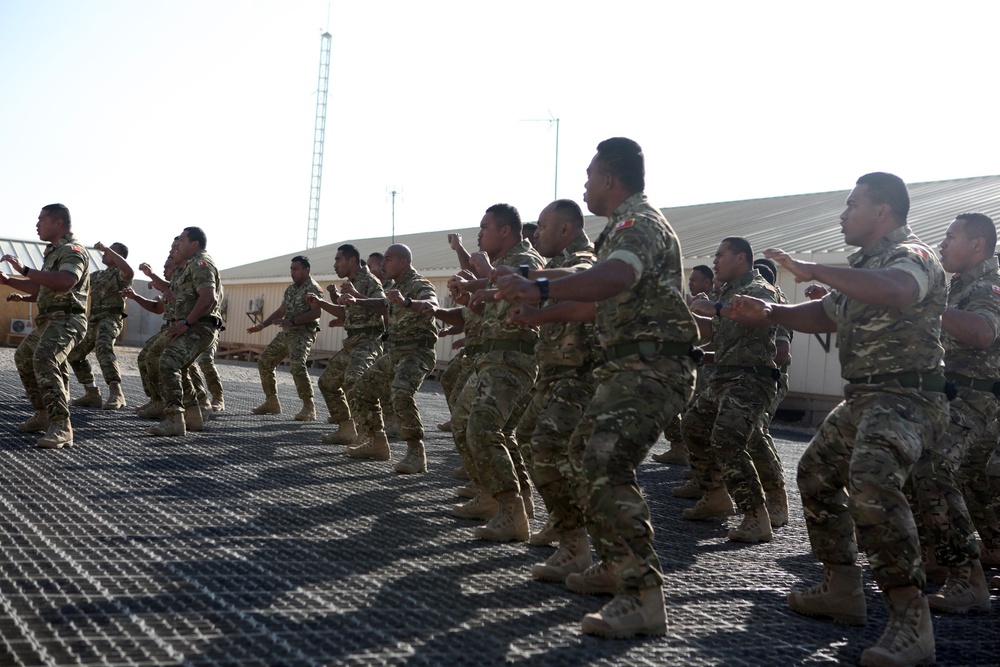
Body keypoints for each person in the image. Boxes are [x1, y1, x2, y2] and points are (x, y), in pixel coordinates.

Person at [728, 172, 947, 666]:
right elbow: (825, 317)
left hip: (908, 398)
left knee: (871, 485)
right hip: (865, 399)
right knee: (816, 474)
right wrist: (769, 312)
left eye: (852, 205)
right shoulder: (864, 268)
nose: (844, 214)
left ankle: (912, 624)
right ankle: (843, 588)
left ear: (883, 211)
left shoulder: (913, 257)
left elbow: (897, 291)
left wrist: (815, 268)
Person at [497, 137, 698, 639]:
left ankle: (642, 596)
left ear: (609, 179)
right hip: (627, 367)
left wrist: (540, 288)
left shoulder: (638, 224)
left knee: (605, 462)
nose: (585, 185)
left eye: (589, 176)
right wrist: (542, 307)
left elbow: (612, 278)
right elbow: (596, 302)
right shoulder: (620, 231)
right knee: (583, 453)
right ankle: (612, 565)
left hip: (653, 369)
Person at [908, 212, 999, 613]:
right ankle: (938, 557)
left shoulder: (990, 286)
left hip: (979, 399)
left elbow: (982, 332)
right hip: (949, 396)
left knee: (932, 465)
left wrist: (930, 306)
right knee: (923, 463)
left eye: (950, 236)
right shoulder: (959, 285)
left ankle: (970, 579)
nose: (942, 244)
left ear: (977, 244)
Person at [504, 199, 599, 577]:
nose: (536, 233)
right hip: (554, 372)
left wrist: (529, 277)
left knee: (549, 447)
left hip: (581, 375)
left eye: (542, 227)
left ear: (565, 230)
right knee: (527, 436)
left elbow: (579, 276)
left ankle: (576, 544)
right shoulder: (559, 264)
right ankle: (564, 521)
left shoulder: (584, 258)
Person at [447, 203, 545, 542]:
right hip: (492, 357)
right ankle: (495, 497)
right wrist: (471, 291)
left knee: (484, 429)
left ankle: (511, 511)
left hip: (512, 359)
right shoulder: (503, 264)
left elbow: (524, 298)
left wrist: (485, 273)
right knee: (464, 423)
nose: (480, 234)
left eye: (485, 227)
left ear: (505, 231)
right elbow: (497, 301)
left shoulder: (526, 260)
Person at [682, 238, 782, 544]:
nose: (714, 261)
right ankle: (715, 494)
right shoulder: (727, 292)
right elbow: (714, 332)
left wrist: (713, 307)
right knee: (693, 426)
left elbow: (758, 315)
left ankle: (756, 516)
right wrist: (689, 316)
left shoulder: (759, 289)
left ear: (741, 258)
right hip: (724, 377)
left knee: (727, 439)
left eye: (720, 255)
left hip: (751, 379)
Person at [342, 244, 438, 473]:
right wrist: (357, 301)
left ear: (403, 263)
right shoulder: (393, 287)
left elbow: (432, 304)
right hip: (395, 353)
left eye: (388, 259)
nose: (383, 264)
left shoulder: (419, 285)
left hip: (417, 352)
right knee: (361, 391)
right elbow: (381, 304)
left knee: (400, 393)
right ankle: (377, 443)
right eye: (383, 260)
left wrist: (407, 303)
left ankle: (416, 453)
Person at [1, 204, 90, 449]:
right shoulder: (53, 253)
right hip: (49, 320)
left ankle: (62, 426)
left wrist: (25, 270)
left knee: (44, 358)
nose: (37, 224)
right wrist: (8, 280)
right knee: (23, 357)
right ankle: (43, 414)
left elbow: (65, 282)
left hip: (68, 318)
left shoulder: (72, 250)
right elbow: (42, 287)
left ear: (58, 223)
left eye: (41, 219)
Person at [146, 227, 223, 436]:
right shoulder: (189, 265)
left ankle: (174, 418)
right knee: (166, 359)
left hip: (200, 326)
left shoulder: (201, 263)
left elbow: (209, 297)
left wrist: (186, 323)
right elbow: (178, 292)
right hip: (191, 325)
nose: (178, 244)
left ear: (194, 244)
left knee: (168, 361)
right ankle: (193, 416)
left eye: (181, 240)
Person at [308, 244, 386, 444]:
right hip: (353, 342)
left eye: (338, 260)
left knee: (355, 381)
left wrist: (357, 296)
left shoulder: (369, 281)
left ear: (352, 261)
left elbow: (383, 305)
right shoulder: (351, 282)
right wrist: (321, 303)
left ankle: (373, 438)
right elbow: (346, 313)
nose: (335, 265)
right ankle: (346, 429)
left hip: (369, 341)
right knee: (327, 382)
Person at [652, 264, 715, 465]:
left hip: (706, 368)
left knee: (696, 418)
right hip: (687, 364)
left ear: (707, 282)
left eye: (694, 280)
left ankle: (704, 468)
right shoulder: (696, 301)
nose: (690, 283)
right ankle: (680, 448)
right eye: (689, 280)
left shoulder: (713, 303)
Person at [247, 256, 322, 420]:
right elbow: (281, 310)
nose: (292, 272)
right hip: (287, 332)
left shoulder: (313, 288)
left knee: (297, 365)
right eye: (291, 269)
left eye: (296, 269)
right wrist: (262, 325)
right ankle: (272, 402)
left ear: (306, 270)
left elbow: (316, 312)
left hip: (303, 333)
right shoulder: (291, 289)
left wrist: (292, 321)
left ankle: (309, 407)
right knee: (265, 361)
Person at [67, 241, 133, 410]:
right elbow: (79, 281)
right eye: (105, 251)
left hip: (111, 319)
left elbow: (129, 271)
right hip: (94, 320)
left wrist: (107, 248)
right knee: (74, 354)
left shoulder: (121, 274)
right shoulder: (99, 275)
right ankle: (92, 393)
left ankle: (117, 393)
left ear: (119, 256)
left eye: (110, 252)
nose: (104, 254)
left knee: (103, 347)